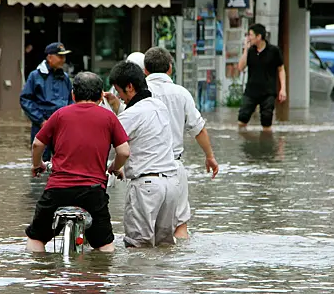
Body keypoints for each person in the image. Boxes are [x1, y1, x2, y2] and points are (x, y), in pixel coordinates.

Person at [25, 72, 130, 253]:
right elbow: (124, 152)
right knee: (105, 246)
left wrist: (37, 164)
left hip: (57, 191)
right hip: (93, 192)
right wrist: (114, 167)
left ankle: (40, 276)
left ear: (73, 95)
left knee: (37, 238)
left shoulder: (59, 115)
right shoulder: (109, 117)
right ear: (100, 96)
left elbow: (37, 144)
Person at [142, 46, 219, 239]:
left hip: (144, 169)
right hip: (174, 167)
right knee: (180, 227)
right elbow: (198, 129)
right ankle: (178, 268)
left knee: (143, 233)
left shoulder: (139, 92)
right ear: (170, 68)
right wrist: (210, 156)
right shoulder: (181, 93)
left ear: (145, 70)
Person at [108, 61, 180, 248]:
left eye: (119, 91)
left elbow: (115, 147)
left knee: (138, 248)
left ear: (130, 87)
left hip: (146, 187)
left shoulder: (130, 115)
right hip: (171, 185)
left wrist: (115, 167)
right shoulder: (160, 106)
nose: (119, 97)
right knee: (165, 247)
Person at [20, 42, 73, 162]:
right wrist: (41, 120)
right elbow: (25, 99)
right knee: (40, 161)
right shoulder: (35, 76)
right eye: (60, 56)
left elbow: (71, 100)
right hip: (42, 125)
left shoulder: (65, 78)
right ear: (49, 57)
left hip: (62, 127)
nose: (63, 60)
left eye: (64, 57)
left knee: (64, 160)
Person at [237, 24, 286, 132]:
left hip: (268, 91)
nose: (248, 38)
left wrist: (283, 89)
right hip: (251, 91)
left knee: (266, 119)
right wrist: (246, 49)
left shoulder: (274, 51)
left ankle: (266, 145)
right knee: (242, 118)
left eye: (250, 35)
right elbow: (240, 67)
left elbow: (281, 69)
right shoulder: (250, 51)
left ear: (259, 36)